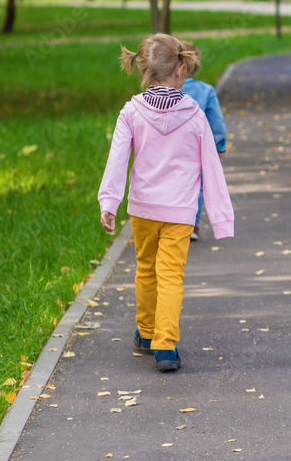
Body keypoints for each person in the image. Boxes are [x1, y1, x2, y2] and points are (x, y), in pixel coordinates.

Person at [98, 33, 234, 372]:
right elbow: (211, 169)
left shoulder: (131, 112)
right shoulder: (195, 115)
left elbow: (117, 161)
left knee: (145, 269)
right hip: (180, 212)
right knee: (171, 275)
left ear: (142, 69)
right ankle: (165, 345)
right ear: (181, 69)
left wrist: (109, 202)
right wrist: (220, 218)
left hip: (143, 209)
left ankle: (146, 333)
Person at [179, 43, 227, 241]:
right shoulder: (206, 91)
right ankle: (192, 224)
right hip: (198, 147)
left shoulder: (167, 90)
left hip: (173, 147)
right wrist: (219, 144)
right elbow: (215, 120)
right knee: (197, 185)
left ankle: (174, 219)